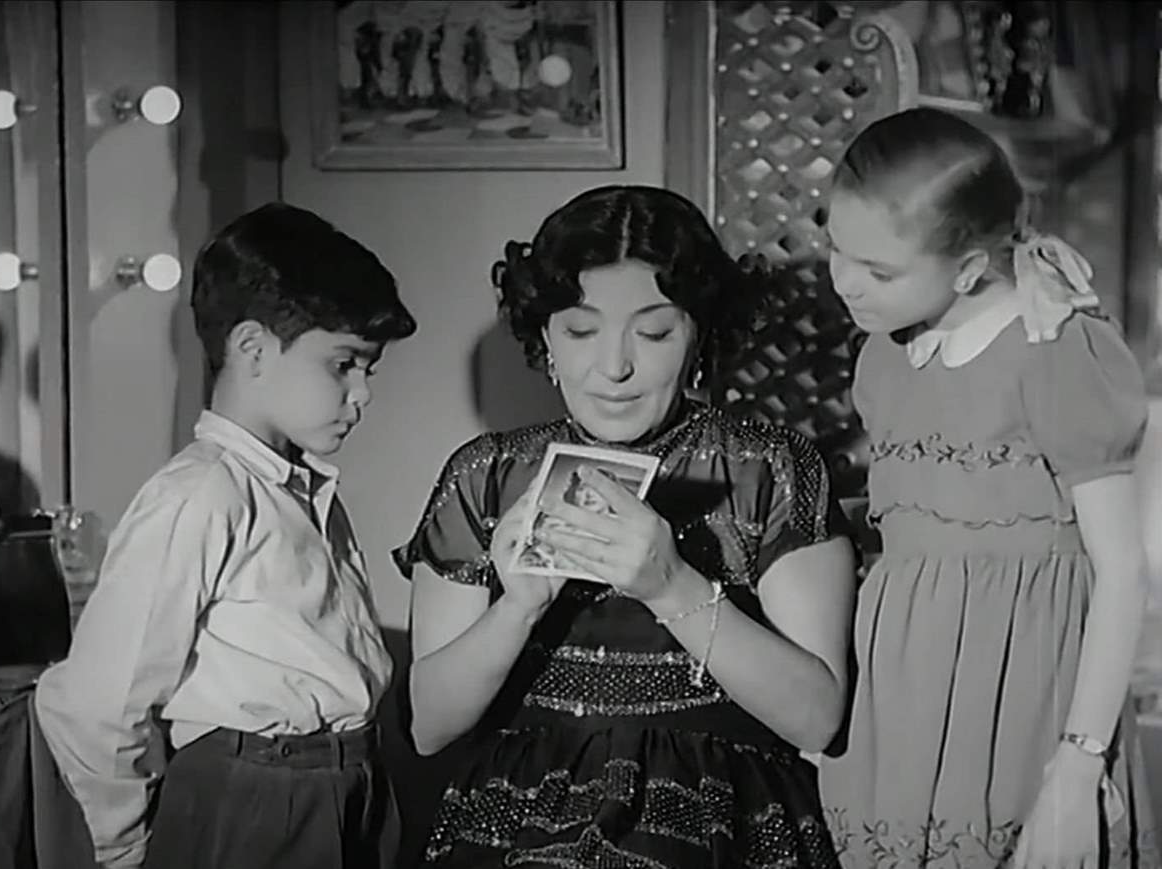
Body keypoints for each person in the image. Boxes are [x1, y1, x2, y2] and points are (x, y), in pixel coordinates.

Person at [393, 184, 857, 868]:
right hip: (519, 823)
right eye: (581, 332)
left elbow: (817, 718)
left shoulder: (769, 468)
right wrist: (517, 609)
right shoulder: (487, 474)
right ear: (545, 338)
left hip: (720, 823)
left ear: (699, 336)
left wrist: (672, 586)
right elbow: (428, 727)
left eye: (654, 332)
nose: (614, 367)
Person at [817, 107, 1159, 868]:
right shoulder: (884, 354)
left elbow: (1122, 571)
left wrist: (1078, 766)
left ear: (970, 268)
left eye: (878, 271)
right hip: (902, 698)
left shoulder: (1054, 351)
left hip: (1026, 705)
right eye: (835, 247)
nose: (845, 282)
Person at [33, 203, 417, 869]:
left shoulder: (302, 490)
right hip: (257, 797)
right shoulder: (200, 495)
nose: (363, 393)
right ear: (253, 349)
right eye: (344, 364)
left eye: (369, 369)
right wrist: (125, 846)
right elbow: (99, 700)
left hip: (349, 784)